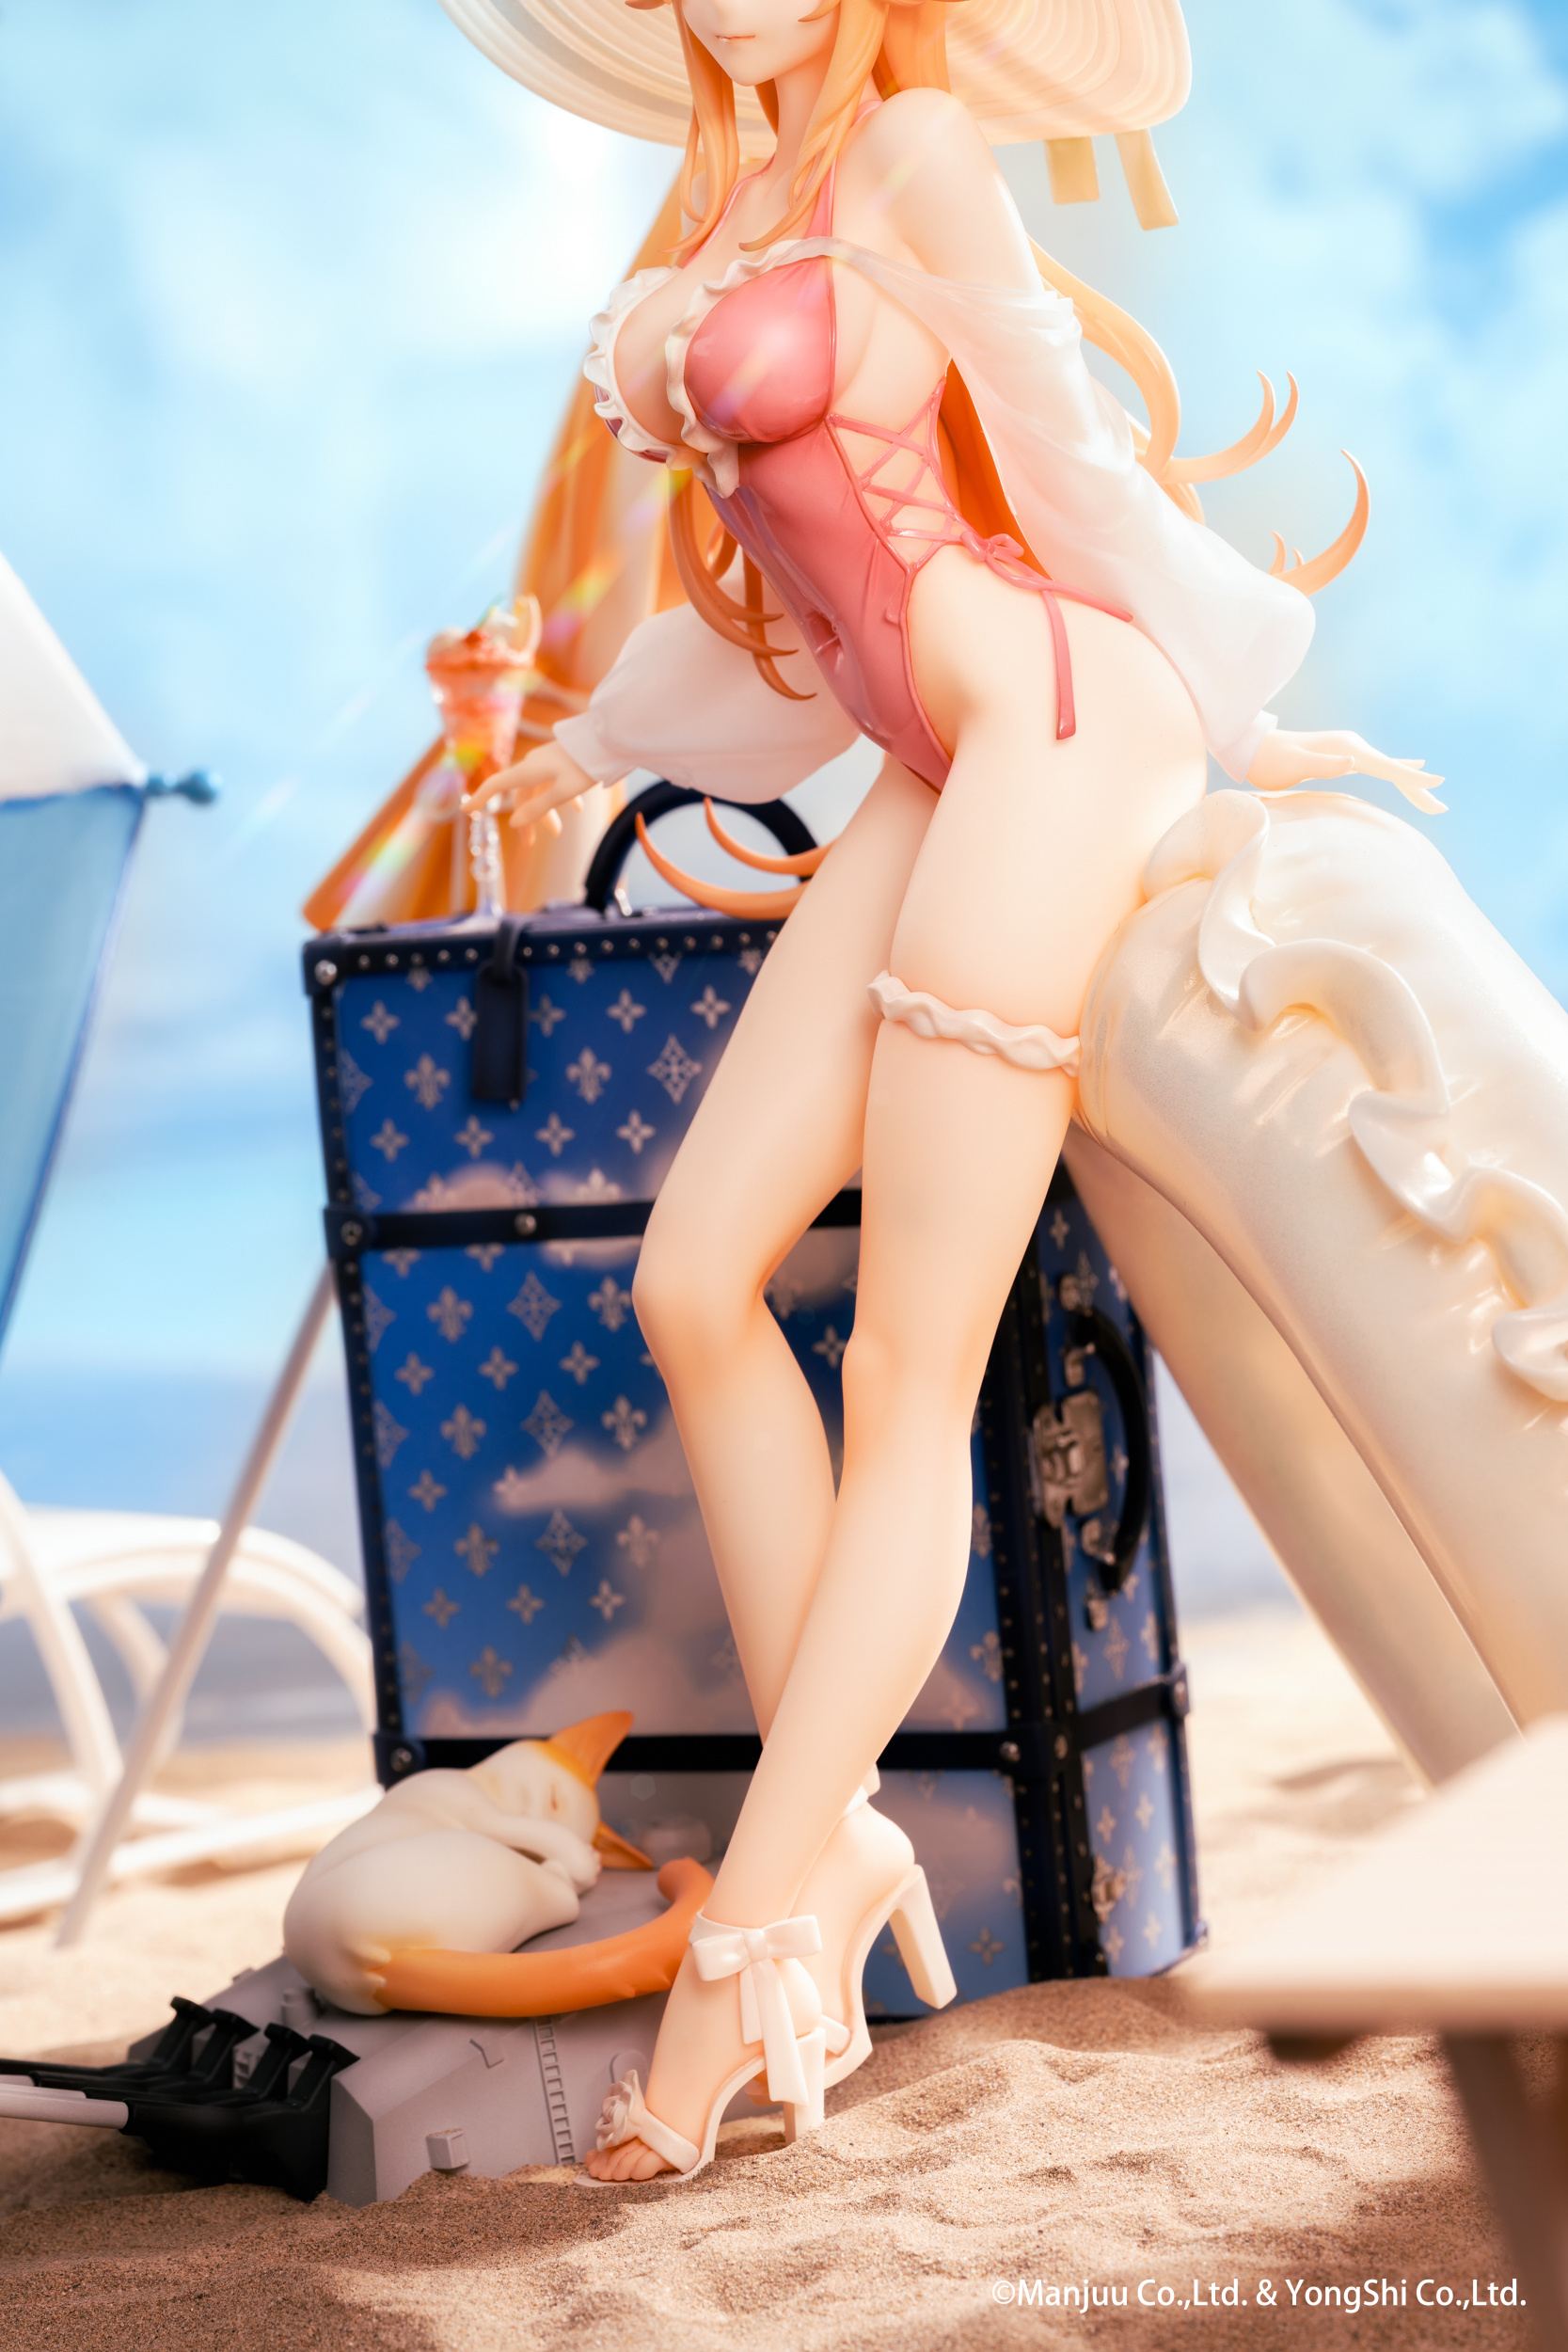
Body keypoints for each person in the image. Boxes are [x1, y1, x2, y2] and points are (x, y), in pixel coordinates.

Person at [452, 0, 1435, 2181]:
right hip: (922, 743)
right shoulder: (735, 203)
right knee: (695, 1275)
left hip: (1061, 724)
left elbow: (1065, 457)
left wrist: (1243, 715)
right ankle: (844, 1840)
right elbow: (797, 602)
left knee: (906, 1369)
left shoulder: (911, 152)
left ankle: (743, 1954)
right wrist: (596, 739)